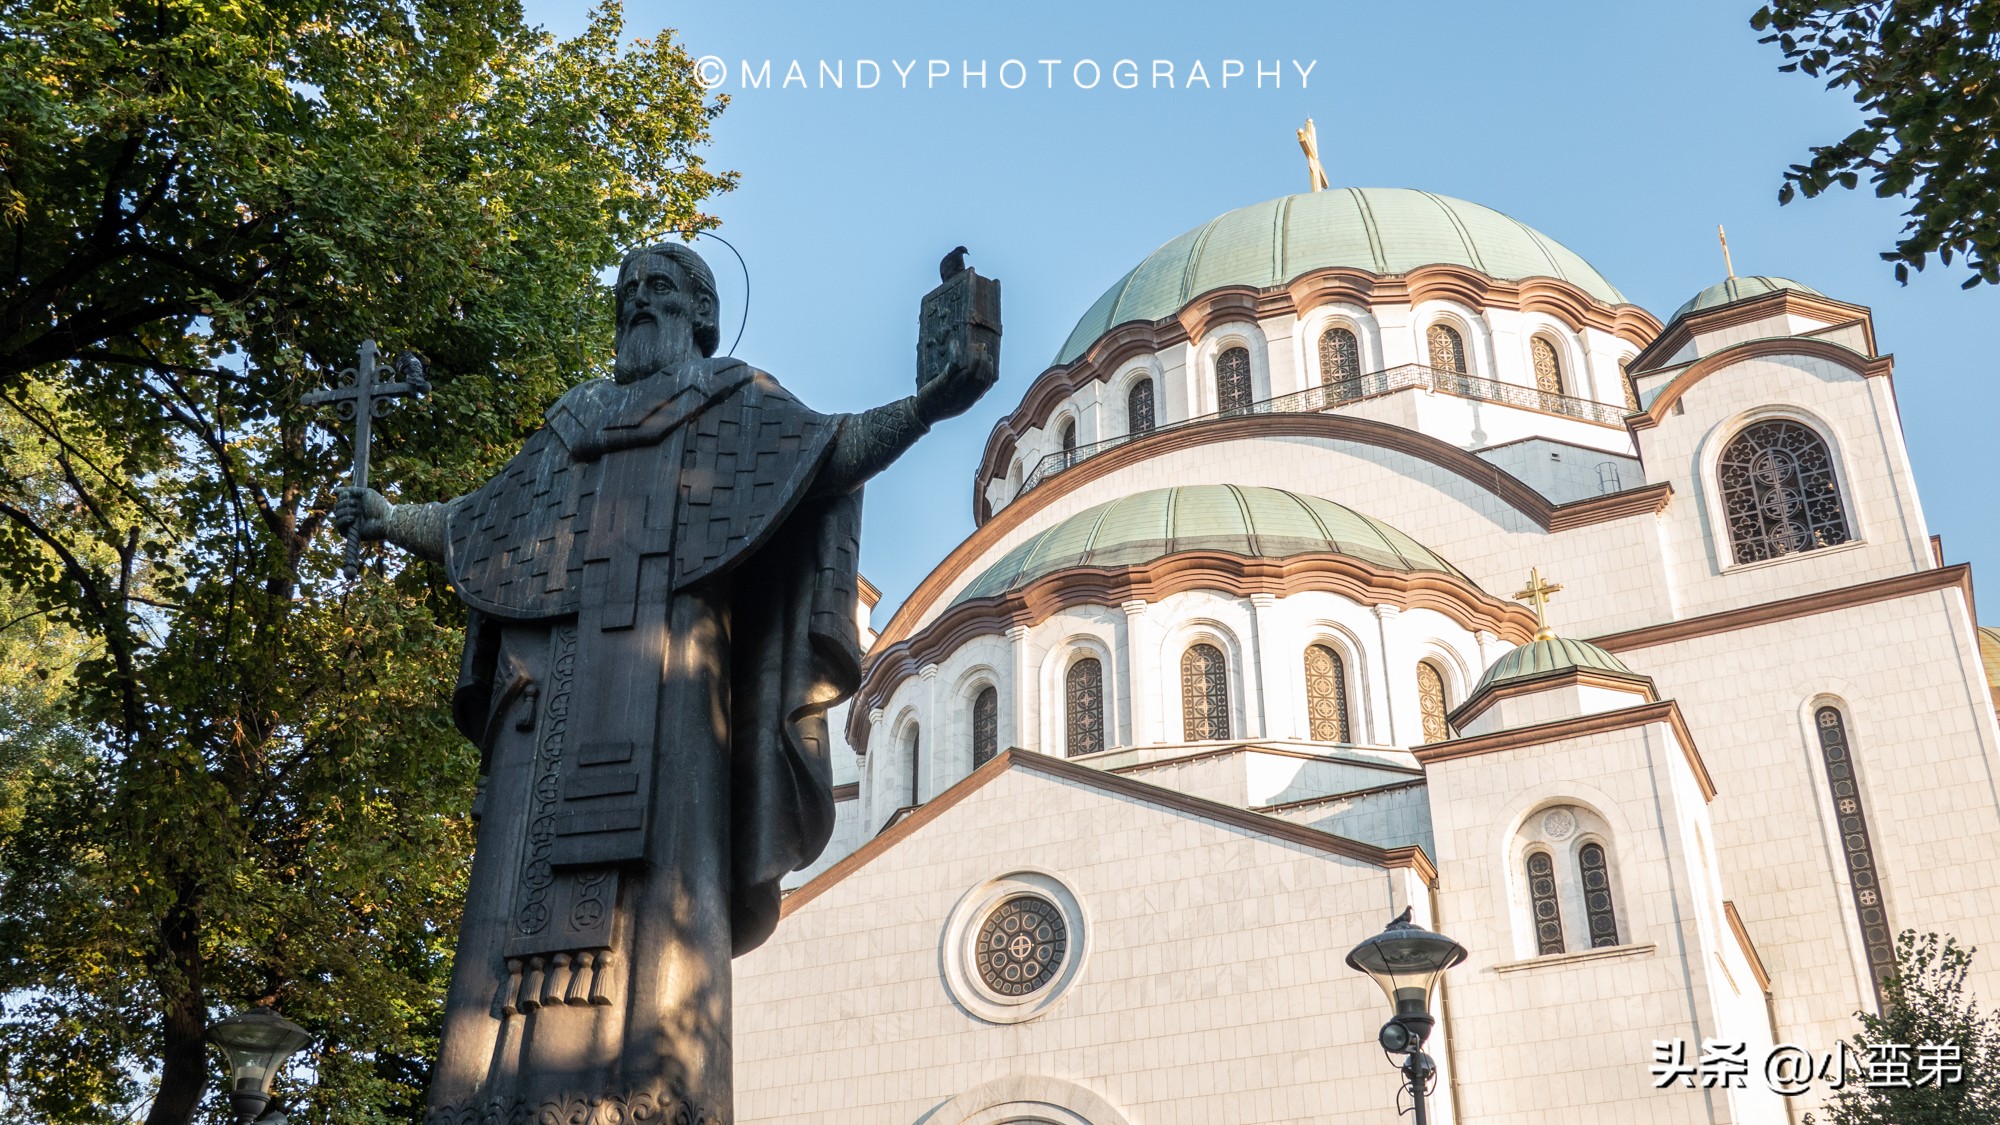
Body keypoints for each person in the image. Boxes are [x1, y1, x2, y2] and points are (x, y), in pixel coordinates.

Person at [334, 241, 996, 1124]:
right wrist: (392, 519)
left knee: (665, 890)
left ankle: (650, 1096)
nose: (639, 304)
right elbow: (483, 522)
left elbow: (829, 451)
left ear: (703, 317)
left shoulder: (739, 407)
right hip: (549, 710)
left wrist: (926, 404)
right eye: (628, 291)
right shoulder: (572, 423)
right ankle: (483, 1091)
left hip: (677, 694)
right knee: (507, 897)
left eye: (660, 290)